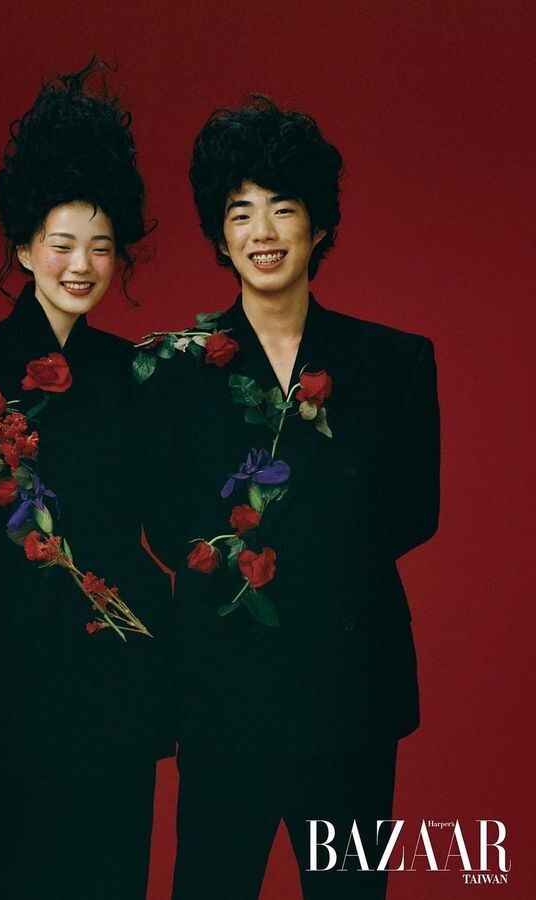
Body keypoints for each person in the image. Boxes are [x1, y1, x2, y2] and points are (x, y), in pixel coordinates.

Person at [139, 96, 440, 899]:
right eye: (240, 212)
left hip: (349, 691)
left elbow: (415, 511)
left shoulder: (395, 363)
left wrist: (299, 561)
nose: (262, 231)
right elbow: (166, 524)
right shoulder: (173, 372)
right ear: (219, 233)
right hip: (221, 693)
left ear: (319, 225)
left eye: (283, 207)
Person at [0, 60, 172, 899]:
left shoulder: (137, 373)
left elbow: (161, 515)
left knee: (108, 874)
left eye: (101, 247)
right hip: (3, 678)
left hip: (113, 676)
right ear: (24, 248)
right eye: (62, 244)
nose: (81, 264)